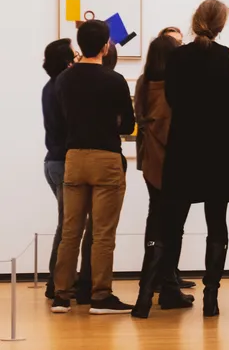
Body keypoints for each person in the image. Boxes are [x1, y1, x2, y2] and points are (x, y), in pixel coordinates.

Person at [157, 0, 229, 318]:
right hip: (219, 149)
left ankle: (168, 288)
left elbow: (170, 98)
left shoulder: (177, 57)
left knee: (174, 224)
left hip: (184, 148)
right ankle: (211, 295)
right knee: (217, 224)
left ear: (195, 21)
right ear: (221, 24)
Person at [51, 20, 135, 315]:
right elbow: (128, 125)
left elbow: (62, 121)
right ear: (105, 46)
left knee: (70, 231)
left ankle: (61, 296)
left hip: (74, 158)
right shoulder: (114, 80)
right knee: (102, 233)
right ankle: (100, 295)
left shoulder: (64, 79)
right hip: (106, 158)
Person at [131, 34, 195, 318]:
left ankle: (146, 292)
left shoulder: (144, 84)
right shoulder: (180, 87)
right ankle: (167, 288)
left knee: (155, 220)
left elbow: (139, 119)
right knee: (175, 227)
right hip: (178, 163)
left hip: (151, 163)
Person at [41, 39, 93, 301]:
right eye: (74, 54)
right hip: (63, 162)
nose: (78, 56)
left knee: (68, 224)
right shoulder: (62, 86)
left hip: (53, 162)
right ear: (67, 60)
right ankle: (56, 281)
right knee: (68, 226)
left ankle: (59, 279)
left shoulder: (51, 86)